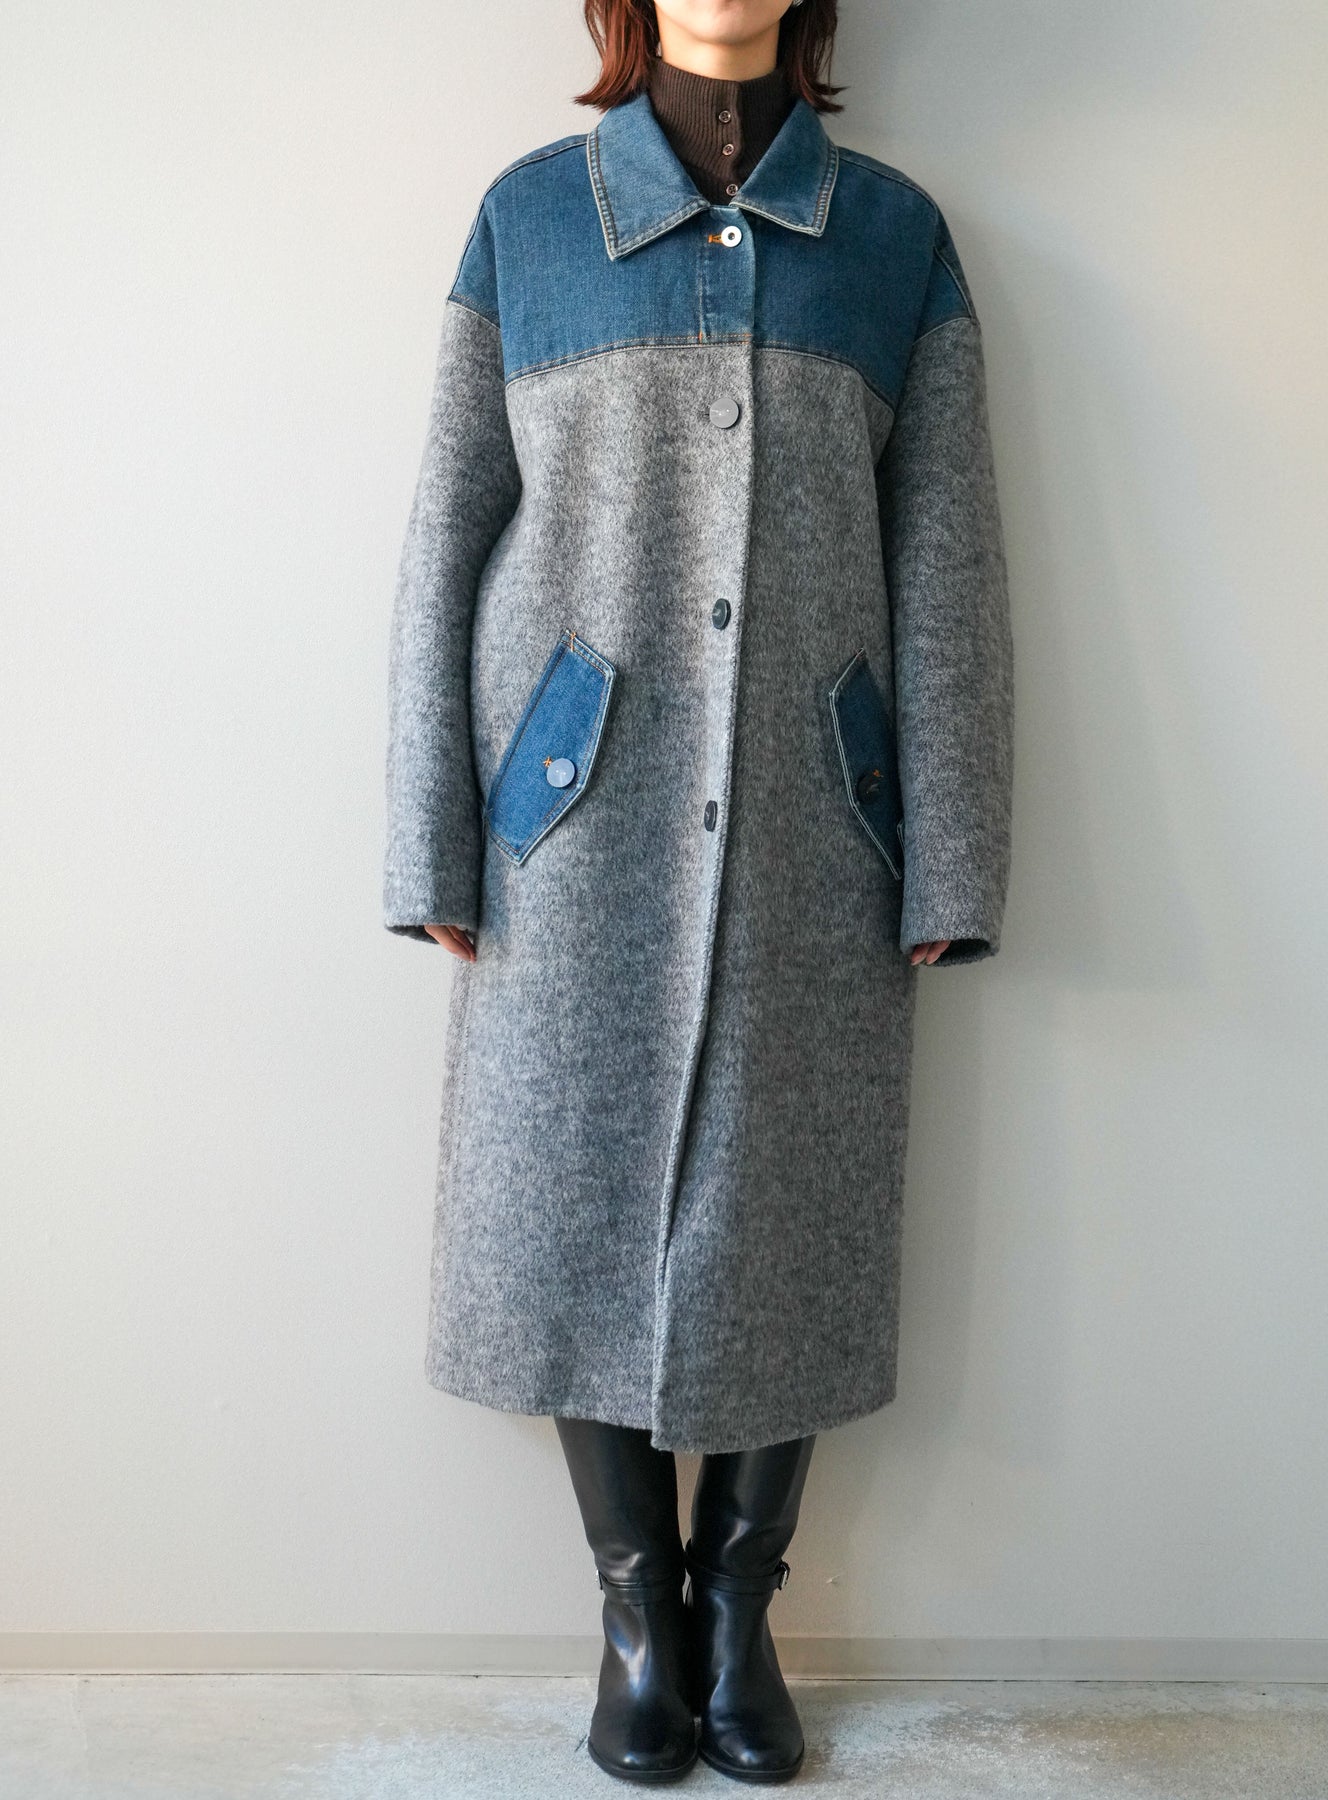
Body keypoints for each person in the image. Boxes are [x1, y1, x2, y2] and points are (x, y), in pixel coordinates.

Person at [382, 0, 1013, 1783]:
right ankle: (634, 1617)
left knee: (784, 1215)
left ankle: (738, 1604)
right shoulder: (530, 219)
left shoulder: (892, 239)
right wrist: (431, 840)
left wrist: (950, 843)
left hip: (820, 821)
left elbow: (948, 560)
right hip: (566, 825)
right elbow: (446, 534)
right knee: (565, 1201)